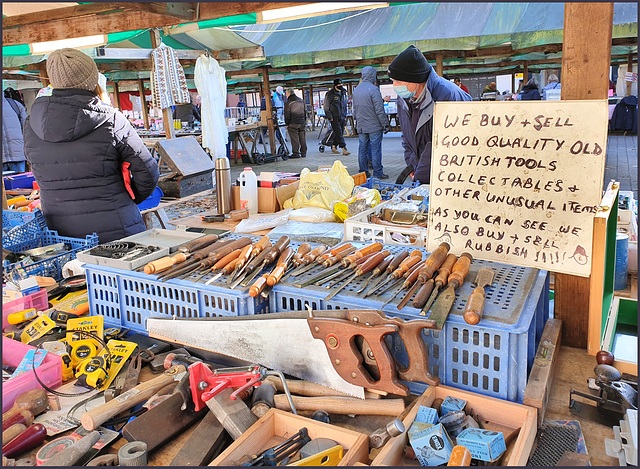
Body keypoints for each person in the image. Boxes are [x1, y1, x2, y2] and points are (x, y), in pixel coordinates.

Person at [23, 48, 159, 243]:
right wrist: (127, 200)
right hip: (117, 229)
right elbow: (148, 171)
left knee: (75, 274)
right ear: (92, 79)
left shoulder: (30, 124)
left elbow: (37, 170)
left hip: (61, 236)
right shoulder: (112, 119)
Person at [388, 45, 472, 184]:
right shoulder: (404, 97)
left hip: (453, 173)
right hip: (424, 171)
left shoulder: (447, 96)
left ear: (416, 80)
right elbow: (407, 137)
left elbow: (441, 144)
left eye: (399, 81)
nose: (395, 86)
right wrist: (412, 166)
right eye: (393, 81)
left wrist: (421, 176)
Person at [353, 66, 390, 179]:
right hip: (374, 126)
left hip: (361, 126)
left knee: (362, 149)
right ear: (373, 75)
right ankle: (378, 172)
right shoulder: (374, 90)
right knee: (375, 150)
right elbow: (379, 110)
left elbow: (355, 110)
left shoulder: (356, 90)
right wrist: (385, 124)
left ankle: (363, 172)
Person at [2, 91, 28, 173]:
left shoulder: (14, 104)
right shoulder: (14, 104)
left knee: (21, 184)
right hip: (18, 156)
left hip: (18, 157)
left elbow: (27, 130)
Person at [323, 78, 350, 155]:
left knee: (340, 133)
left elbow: (344, 105)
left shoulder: (343, 93)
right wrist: (330, 117)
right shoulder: (330, 94)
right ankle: (344, 148)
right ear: (335, 86)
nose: (340, 87)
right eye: (338, 86)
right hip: (334, 117)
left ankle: (334, 146)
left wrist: (345, 114)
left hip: (342, 116)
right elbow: (326, 107)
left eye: (341, 85)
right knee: (338, 132)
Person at [283, 89, 307, 158]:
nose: (286, 95)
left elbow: (287, 114)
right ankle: (303, 152)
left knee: (295, 138)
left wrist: (287, 123)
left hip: (293, 123)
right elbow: (305, 111)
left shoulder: (288, 102)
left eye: (286, 94)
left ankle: (296, 153)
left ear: (289, 94)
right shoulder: (301, 100)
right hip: (302, 122)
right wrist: (304, 120)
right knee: (302, 138)